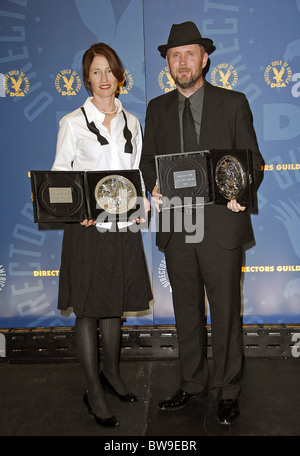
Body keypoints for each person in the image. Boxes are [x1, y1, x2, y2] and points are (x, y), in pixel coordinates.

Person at [140, 22, 264, 425]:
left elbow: (252, 163)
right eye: (174, 56)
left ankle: (227, 391)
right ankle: (192, 383)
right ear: (168, 64)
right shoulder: (157, 109)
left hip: (220, 226)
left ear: (204, 58)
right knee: (185, 310)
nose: (182, 61)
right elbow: (147, 165)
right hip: (177, 227)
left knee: (226, 312)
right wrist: (152, 188)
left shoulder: (233, 102)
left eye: (189, 53)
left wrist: (239, 194)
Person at [52, 43, 152, 428]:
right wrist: (79, 214)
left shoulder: (133, 122)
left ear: (119, 75)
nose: (104, 78)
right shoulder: (72, 123)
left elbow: (138, 176)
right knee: (88, 309)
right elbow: (60, 180)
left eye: (109, 70)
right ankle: (93, 387)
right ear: (87, 78)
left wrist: (143, 201)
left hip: (123, 228)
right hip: (88, 232)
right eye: (96, 72)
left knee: (115, 305)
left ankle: (111, 373)